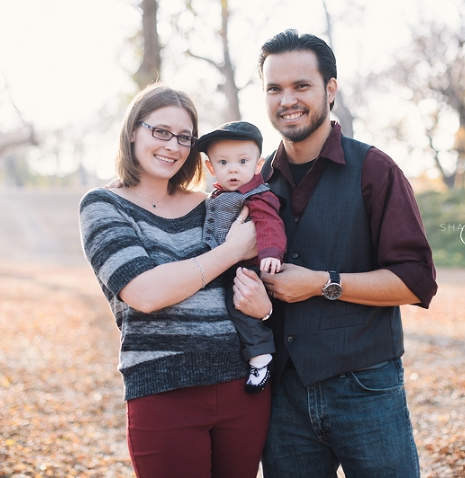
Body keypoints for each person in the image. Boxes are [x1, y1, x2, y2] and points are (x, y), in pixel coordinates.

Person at [256, 29, 438, 478]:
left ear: (330, 89)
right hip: (282, 395)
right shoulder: (256, 180)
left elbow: (416, 279)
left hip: (366, 387)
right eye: (274, 88)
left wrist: (323, 282)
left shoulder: (374, 169)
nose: (287, 100)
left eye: (301, 86)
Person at [79, 83, 273, 478]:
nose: (173, 145)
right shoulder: (102, 206)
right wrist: (229, 251)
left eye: (185, 137)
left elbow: (255, 272)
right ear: (133, 130)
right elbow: (146, 292)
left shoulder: (213, 204)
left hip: (242, 388)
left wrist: (265, 308)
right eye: (161, 131)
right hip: (163, 391)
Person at [196, 121, 287, 393]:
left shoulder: (256, 196)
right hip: (224, 264)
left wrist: (272, 252)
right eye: (223, 163)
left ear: (257, 165)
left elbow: (269, 224)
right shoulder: (216, 195)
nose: (233, 169)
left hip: (248, 267)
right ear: (211, 168)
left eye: (242, 161)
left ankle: (260, 357)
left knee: (241, 305)